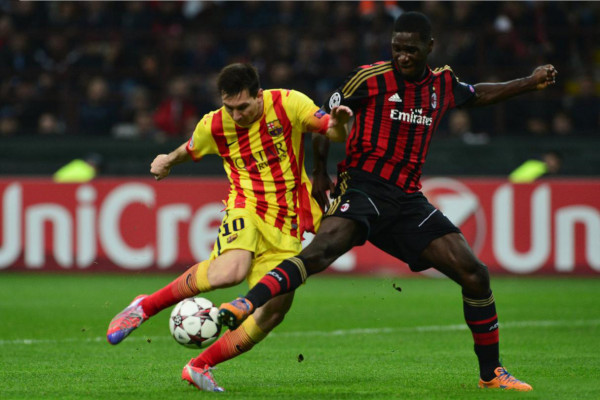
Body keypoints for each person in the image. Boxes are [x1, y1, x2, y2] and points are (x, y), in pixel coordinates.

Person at [219, 12, 559, 392]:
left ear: (429, 47)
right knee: (320, 253)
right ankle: (245, 304)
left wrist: (529, 82)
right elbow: (324, 122)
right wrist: (318, 173)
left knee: (474, 272)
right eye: (397, 49)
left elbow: (477, 94)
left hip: (407, 199)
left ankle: (491, 373)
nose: (403, 57)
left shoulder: (442, 84)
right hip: (362, 186)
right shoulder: (369, 78)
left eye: (411, 50)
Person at [106, 63, 352, 392]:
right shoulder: (215, 124)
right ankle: (143, 307)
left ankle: (199, 365)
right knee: (230, 272)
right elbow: (190, 148)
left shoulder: (289, 103)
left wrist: (340, 125)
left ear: (259, 95)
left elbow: (331, 132)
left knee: (273, 311)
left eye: (243, 107)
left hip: (288, 220)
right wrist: (167, 159)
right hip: (246, 206)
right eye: (229, 107)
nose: (235, 115)